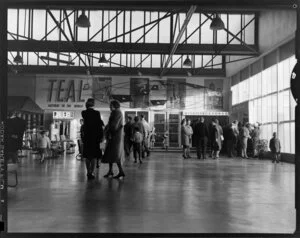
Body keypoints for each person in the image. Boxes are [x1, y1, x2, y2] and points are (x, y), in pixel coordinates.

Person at [102, 100, 126, 179]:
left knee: (115, 154)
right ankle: (112, 171)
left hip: (114, 137)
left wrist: (107, 130)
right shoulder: (118, 112)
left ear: (114, 106)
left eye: (111, 105)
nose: (109, 107)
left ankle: (119, 171)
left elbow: (113, 126)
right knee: (112, 154)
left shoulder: (116, 113)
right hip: (116, 136)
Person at [81, 98, 104, 180]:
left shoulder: (83, 112)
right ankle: (92, 172)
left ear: (86, 105)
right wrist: (101, 137)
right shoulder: (97, 113)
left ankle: (88, 172)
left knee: (87, 156)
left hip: (87, 137)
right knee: (94, 156)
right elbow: (99, 126)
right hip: (95, 137)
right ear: (93, 104)